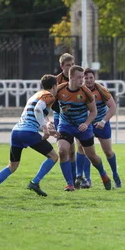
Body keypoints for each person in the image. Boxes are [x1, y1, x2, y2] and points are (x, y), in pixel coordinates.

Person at [0, 75, 59, 198]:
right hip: (27, 133)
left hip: (16, 132)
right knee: (54, 156)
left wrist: (50, 132)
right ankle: (35, 182)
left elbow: (32, 119)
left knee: (12, 166)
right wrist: (45, 128)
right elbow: (38, 110)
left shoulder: (35, 95)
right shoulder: (49, 96)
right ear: (54, 86)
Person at [55, 65, 112, 191]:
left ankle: (103, 173)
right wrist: (48, 122)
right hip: (66, 126)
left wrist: (86, 123)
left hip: (83, 127)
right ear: (70, 77)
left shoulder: (86, 92)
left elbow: (93, 111)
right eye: (79, 77)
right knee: (62, 151)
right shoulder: (59, 89)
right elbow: (48, 105)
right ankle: (70, 183)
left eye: (83, 77)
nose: (82, 80)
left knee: (92, 156)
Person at [75, 68, 122, 189]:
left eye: (91, 78)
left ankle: (115, 175)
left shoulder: (101, 90)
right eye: (86, 78)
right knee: (82, 149)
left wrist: (103, 121)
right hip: (86, 124)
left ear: (94, 78)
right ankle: (84, 178)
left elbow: (112, 107)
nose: (89, 80)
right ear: (82, 79)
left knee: (108, 152)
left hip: (101, 123)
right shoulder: (78, 91)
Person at [53, 53, 77, 185]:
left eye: (73, 64)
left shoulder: (79, 78)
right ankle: (70, 182)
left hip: (78, 118)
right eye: (68, 65)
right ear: (62, 66)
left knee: (78, 150)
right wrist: (62, 109)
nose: (71, 67)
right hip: (61, 118)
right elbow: (51, 101)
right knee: (64, 150)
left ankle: (80, 177)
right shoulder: (56, 81)